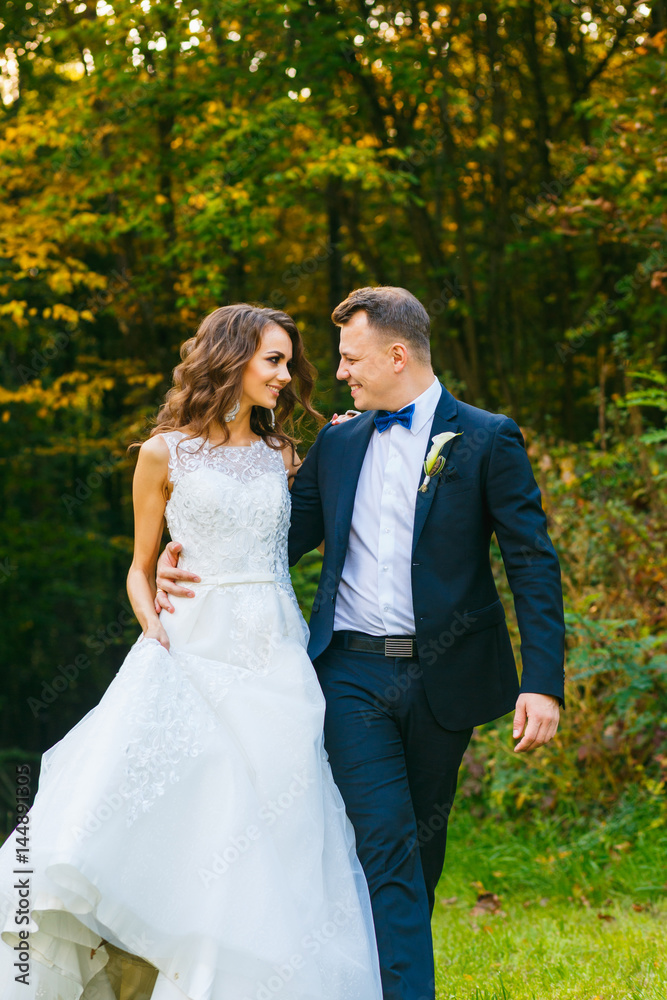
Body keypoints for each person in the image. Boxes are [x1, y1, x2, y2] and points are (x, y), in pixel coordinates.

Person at [157, 286, 565, 1000]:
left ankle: (379, 972)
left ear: (396, 355)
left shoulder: (486, 438)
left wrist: (543, 680)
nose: (339, 371)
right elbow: (276, 539)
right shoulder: (339, 443)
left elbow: (530, 559)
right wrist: (183, 558)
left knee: (417, 851)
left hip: (445, 677)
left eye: (350, 357)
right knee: (383, 844)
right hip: (348, 675)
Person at [0, 304, 382, 1000]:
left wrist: (350, 437)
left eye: (289, 360)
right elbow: (140, 567)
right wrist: (154, 624)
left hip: (274, 653)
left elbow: (298, 531)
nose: (286, 373)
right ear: (230, 358)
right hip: (190, 646)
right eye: (273, 359)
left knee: (279, 814)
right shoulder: (163, 453)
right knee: (183, 805)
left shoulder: (283, 454)